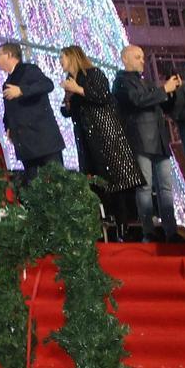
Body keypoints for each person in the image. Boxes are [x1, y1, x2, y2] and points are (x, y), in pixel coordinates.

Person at [59, 45, 143, 241]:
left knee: (115, 181)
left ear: (73, 57)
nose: (60, 61)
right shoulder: (73, 80)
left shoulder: (93, 73)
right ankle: (103, 227)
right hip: (87, 138)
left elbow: (102, 95)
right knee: (96, 183)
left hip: (105, 135)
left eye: (62, 57)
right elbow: (70, 112)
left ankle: (122, 228)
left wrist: (78, 90)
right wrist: (68, 101)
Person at [111, 45, 183, 243]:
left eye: (143, 57)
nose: (142, 60)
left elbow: (164, 105)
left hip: (159, 139)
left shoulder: (146, 83)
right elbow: (136, 101)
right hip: (140, 139)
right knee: (144, 187)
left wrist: (171, 92)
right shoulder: (121, 83)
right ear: (125, 58)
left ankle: (171, 231)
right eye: (138, 57)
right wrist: (163, 90)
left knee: (165, 187)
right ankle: (148, 231)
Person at [0, 42, 64, 184]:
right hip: (26, 146)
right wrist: (8, 127)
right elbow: (9, 110)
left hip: (44, 142)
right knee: (33, 187)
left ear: (9, 55)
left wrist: (21, 90)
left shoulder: (29, 70)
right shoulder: (7, 82)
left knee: (57, 184)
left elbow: (47, 84)